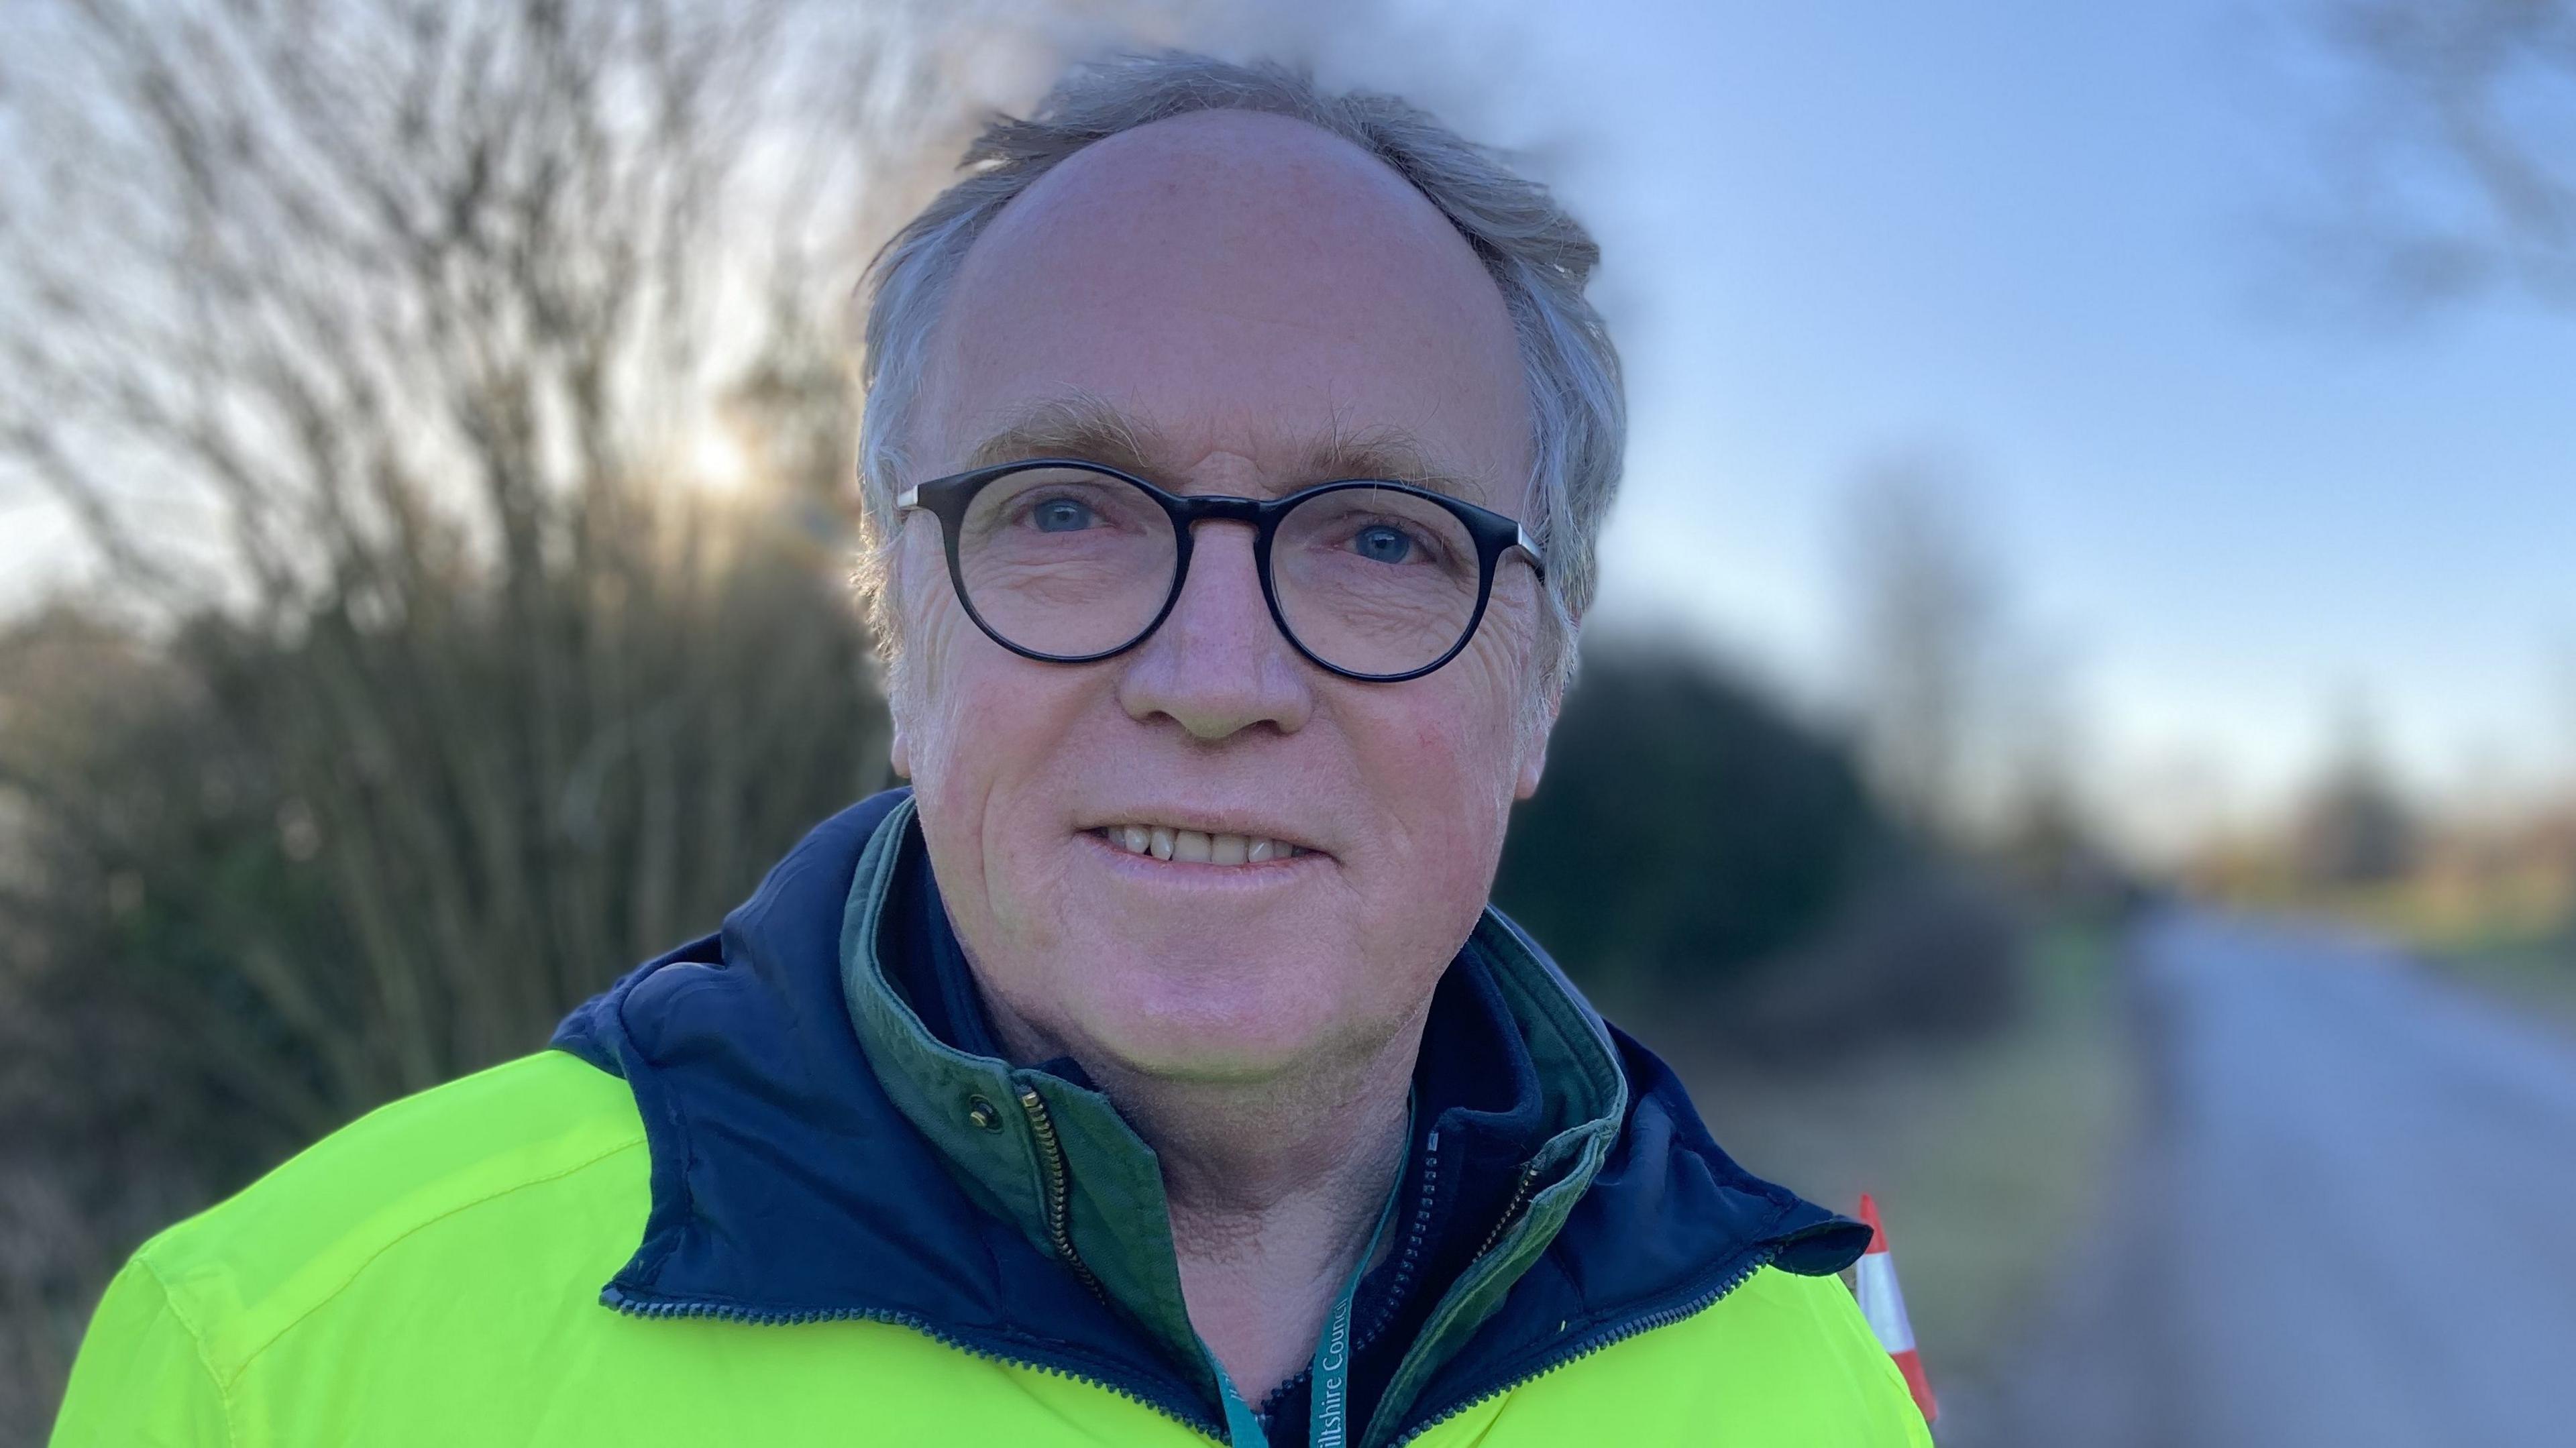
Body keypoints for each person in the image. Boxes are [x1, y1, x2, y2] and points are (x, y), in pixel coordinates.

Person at [51, 52, 1931, 1447]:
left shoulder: (1802, 1379)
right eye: (1064, 511)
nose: (1214, 674)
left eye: (1376, 539)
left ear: (1536, 682)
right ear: (899, 626)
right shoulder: (297, 1365)